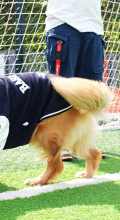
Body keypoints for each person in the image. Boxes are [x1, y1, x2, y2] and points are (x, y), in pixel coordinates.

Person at [45, 0, 106, 161]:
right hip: (64, 23)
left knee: (92, 92)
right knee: (62, 89)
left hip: (93, 27)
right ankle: (60, 143)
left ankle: (85, 144)